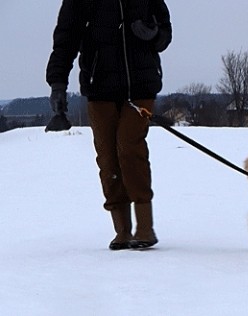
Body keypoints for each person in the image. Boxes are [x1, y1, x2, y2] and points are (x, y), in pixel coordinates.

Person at [46, 0, 172, 250]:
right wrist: (57, 83)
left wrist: (154, 34)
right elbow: (66, 37)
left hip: (141, 85)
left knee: (129, 147)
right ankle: (122, 230)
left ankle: (145, 226)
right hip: (99, 85)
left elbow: (165, 33)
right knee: (107, 157)